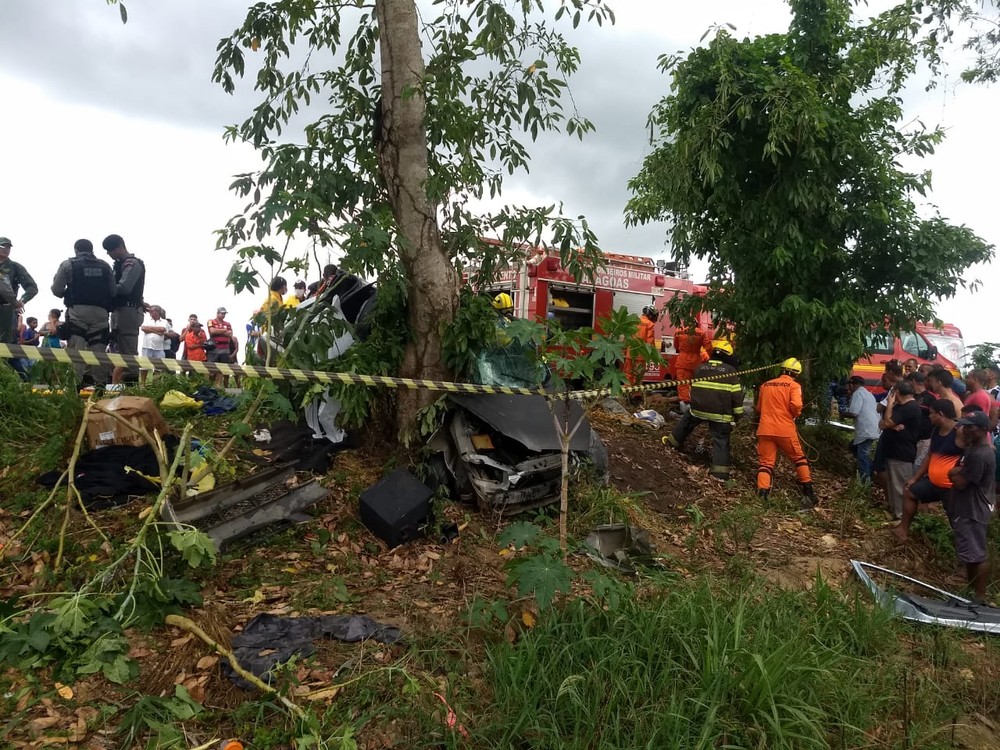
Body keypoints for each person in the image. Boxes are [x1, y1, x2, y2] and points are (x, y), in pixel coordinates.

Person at [663, 340, 743, 481]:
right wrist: (738, 415)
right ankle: (719, 473)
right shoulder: (731, 372)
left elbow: (692, 390)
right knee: (721, 438)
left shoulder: (700, 368)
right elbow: (736, 397)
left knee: (687, 420)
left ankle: (672, 442)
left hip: (698, 409)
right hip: (720, 415)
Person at [892, 399, 961, 542]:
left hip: (951, 488)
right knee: (910, 492)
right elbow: (929, 455)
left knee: (956, 519)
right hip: (933, 483)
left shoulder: (959, 432)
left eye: (931, 413)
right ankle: (903, 530)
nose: (929, 416)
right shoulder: (936, 430)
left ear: (940, 414)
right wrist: (915, 478)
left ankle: (964, 549)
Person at [51, 239, 115, 387]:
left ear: (76, 250)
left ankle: (75, 386)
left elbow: (57, 290)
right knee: (99, 350)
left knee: (76, 350)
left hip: (77, 312)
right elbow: (113, 292)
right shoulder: (105, 266)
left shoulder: (68, 264)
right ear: (92, 250)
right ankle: (100, 386)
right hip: (100, 313)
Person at [946, 411, 996, 601]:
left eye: (970, 427)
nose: (965, 430)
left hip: (973, 510)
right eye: (964, 426)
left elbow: (960, 482)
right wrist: (957, 471)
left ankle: (979, 597)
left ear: (983, 430)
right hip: (967, 508)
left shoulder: (980, 455)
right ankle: (972, 591)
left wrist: (952, 473)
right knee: (970, 554)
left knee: (977, 554)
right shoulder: (973, 449)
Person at [756, 358, 816, 510]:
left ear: (782, 369)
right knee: (799, 458)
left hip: (765, 429)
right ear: (796, 373)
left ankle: (762, 495)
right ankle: (809, 491)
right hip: (785, 430)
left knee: (766, 463)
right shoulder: (794, 386)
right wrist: (795, 414)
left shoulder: (765, 385)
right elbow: (796, 405)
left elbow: (759, 408)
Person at [103, 234, 146, 385]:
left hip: (128, 310)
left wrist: (102, 289)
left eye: (110, 250)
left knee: (128, 352)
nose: (109, 254)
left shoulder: (131, 263)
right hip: (120, 311)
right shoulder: (120, 264)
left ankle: (131, 387)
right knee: (118, 351)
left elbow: (125, 287)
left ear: (119, 247)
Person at [878, 379, 920, 519]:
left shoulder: (910, 407)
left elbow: (887, 422)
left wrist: (889, 405)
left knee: (900, 485)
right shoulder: (899, 406)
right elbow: (882, 424)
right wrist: (891, 424)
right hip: (892, 450)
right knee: (892, 484)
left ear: (897, 392)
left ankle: (902, 516)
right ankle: (894, 510)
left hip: (902, 452)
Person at [0, 236, 39, 344]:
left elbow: (32, 287)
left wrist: (22, 301)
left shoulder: (15, 267)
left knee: (6, 342)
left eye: (8, 247)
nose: (6, 249)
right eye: (3, 246)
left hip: (6, 309)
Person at [841, 375, 879, 483]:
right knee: (853, 447)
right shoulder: (868, 394)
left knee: (862, 456)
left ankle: (865, 481)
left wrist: (842, 414)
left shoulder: (857, 394)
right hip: (873, 428)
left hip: (866, 430)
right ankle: (871, 469)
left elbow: (854, 413)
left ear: (852, 385)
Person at [672, 324, 712, 408]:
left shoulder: (678, 331)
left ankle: (685, 407)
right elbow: (708, 346)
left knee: (683, 385)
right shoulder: (701, 333)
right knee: (696, 385)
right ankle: (697, 405)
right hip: (696, 363)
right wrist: (708, 357)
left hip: (682, 362)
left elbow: (676, 346)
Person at [139, 305, 170, 386]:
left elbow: (162, 329)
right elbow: (143, 328)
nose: (150, 312)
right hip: (147, 346)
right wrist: (156, 331)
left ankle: (155, 385)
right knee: (144, 366)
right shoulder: (147, 320)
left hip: (158, 348)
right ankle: (142, 385)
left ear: (157, 312)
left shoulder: (164, 321)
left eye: (152, 311)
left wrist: (149, 329)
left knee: (158, 367)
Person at [207, 307, 234, 386]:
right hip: (214, 348)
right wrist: (224, 330)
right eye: (222, 313)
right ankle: (209, 385)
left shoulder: (228, 323)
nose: (223, 315)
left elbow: (230, 333)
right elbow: (212, 331)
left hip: (225, 348)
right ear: (217, 313)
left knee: (222, 368)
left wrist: (218, 331)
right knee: (211, 368)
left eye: (224, 314)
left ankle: (218, 385)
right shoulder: (211, 321)